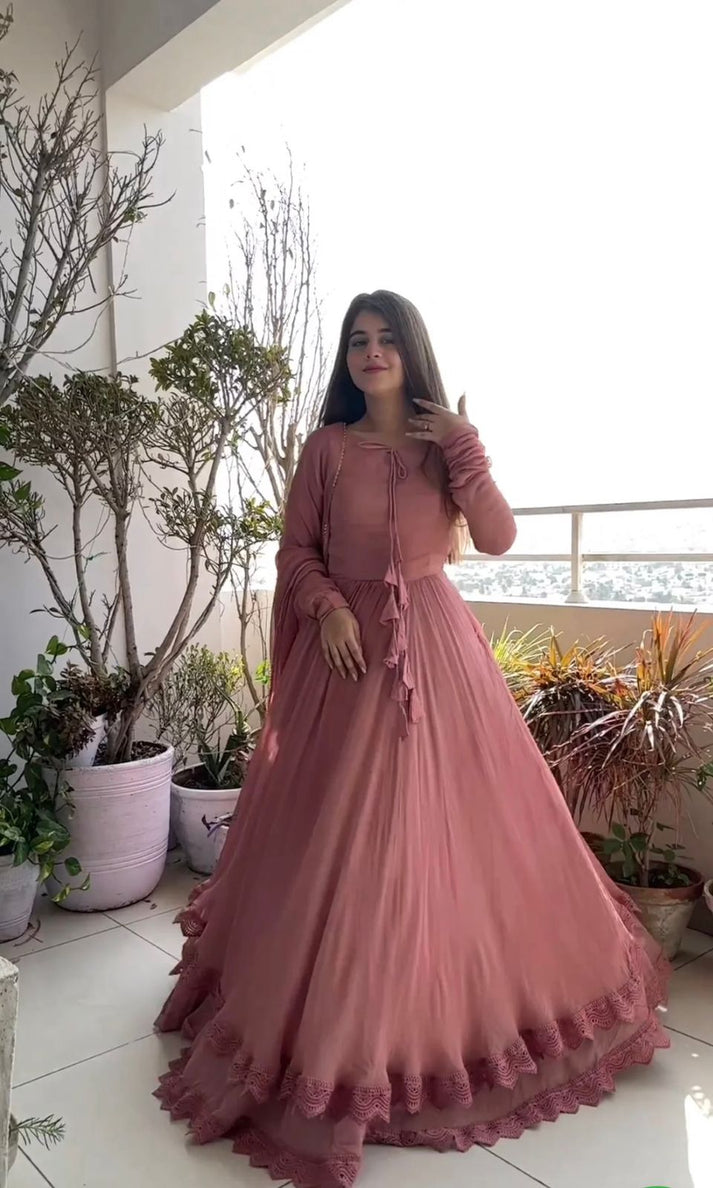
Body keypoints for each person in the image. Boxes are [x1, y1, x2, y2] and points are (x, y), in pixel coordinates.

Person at [154, 290, 669, 1188]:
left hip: (439, 651)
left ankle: (449, 1020)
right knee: (348, 842)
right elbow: (295, 551)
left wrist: (465, 448)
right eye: (358, 339)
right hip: (348, 662)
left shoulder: (444, 445)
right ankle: (336, 1030)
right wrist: (325, 609)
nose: (371, 351)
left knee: (454, 836)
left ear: (411, 351)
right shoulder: (326, 447)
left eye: (387, 338)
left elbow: (497, 538)